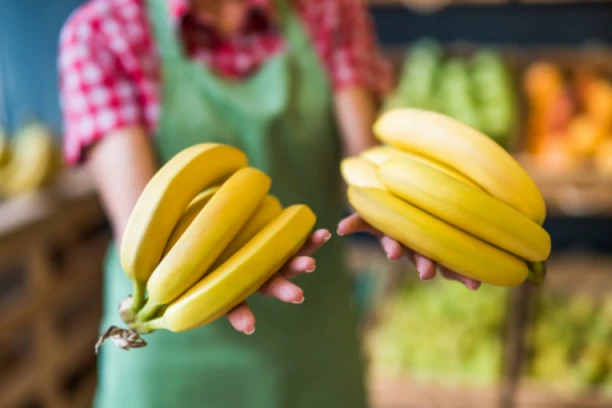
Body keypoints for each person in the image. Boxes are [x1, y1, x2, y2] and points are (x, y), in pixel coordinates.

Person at [58, 0, 481, 407]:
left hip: (312, 342)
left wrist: (410, 217)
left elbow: (364, 166)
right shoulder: (101, 33)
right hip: (176, 353)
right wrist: (240, 269)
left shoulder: (329, 9)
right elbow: (143, 223)